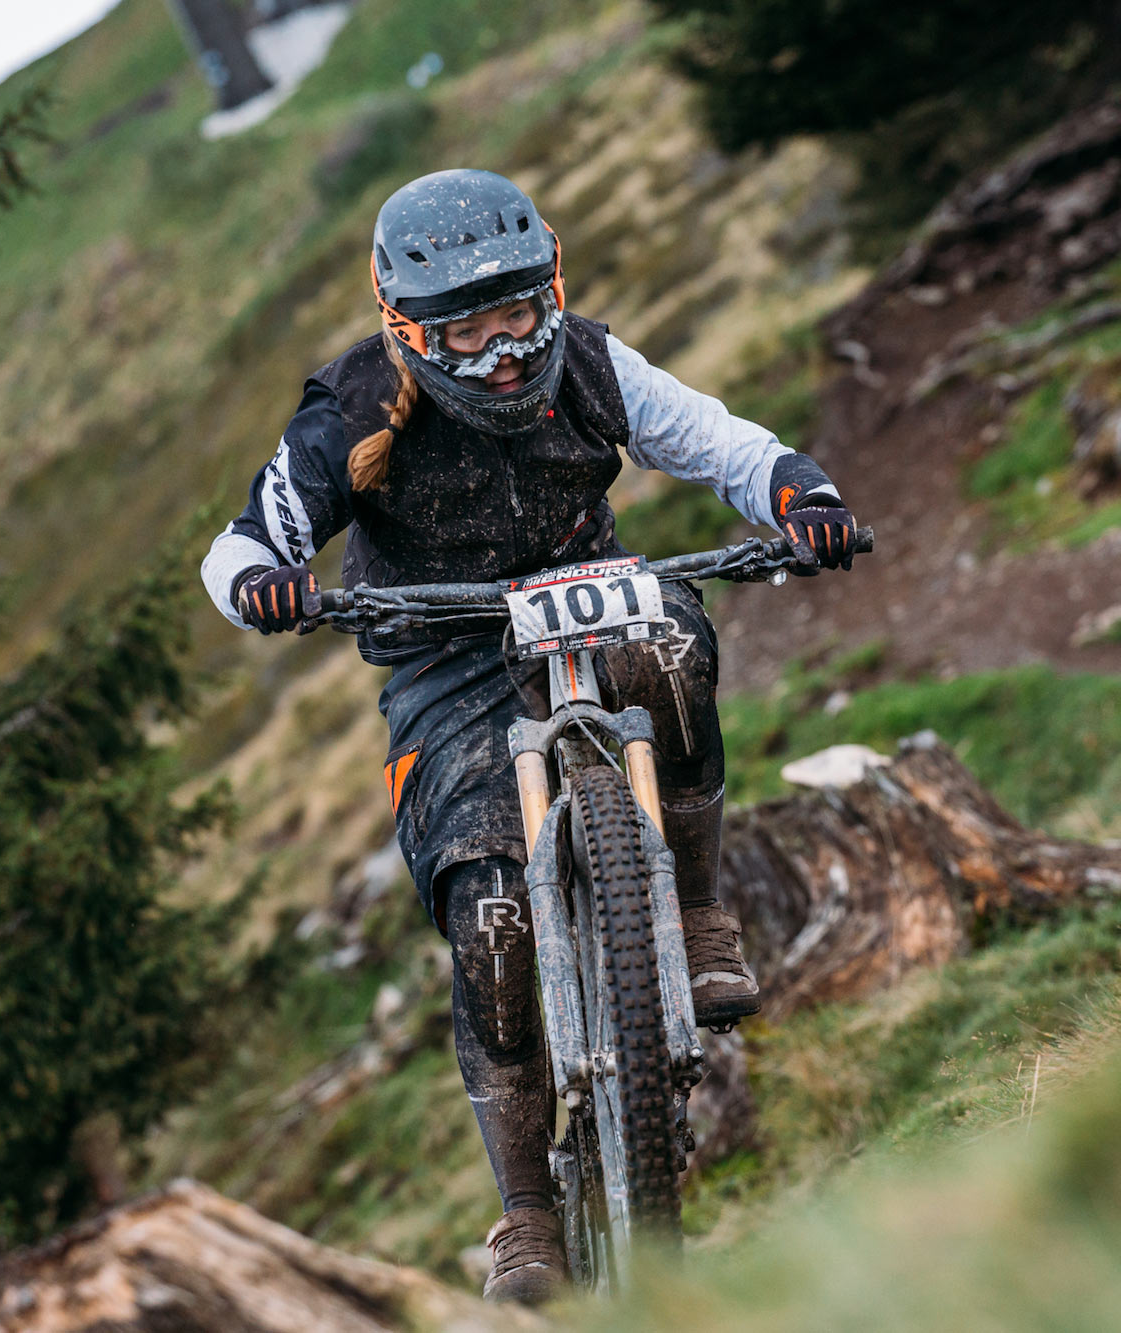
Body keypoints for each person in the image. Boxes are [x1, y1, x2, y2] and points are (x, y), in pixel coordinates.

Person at [200, 169, 856, 1304]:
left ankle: (696, 914)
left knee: (669, 654)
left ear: (550, 288)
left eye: (517, 314)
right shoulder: (356, 408)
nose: (502, 351)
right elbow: (245, 540)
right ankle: (525, 1216)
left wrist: (798, 494)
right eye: (465, 329)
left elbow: (713, 440)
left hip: (589, 591)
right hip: (443, 653)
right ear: (408, 329)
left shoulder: (591, 364)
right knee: (491, 912)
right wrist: (262, 581)